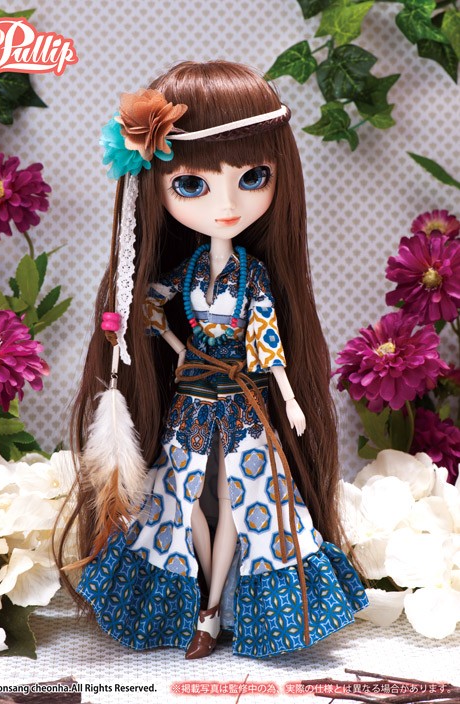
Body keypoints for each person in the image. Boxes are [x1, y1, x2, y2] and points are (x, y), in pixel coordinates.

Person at [55, 60, 368, 660]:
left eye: (253, 177)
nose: (226, 204)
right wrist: (167, 344)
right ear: (157, 186)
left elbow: (267, 338)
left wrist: (290, 396)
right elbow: (150, 303)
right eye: (193, 185)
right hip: (193, 399)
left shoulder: (253, 275)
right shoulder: (191, 268)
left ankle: (215, 605)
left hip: (244, 400)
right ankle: (199, 595)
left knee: (238, 501)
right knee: (182, 496)